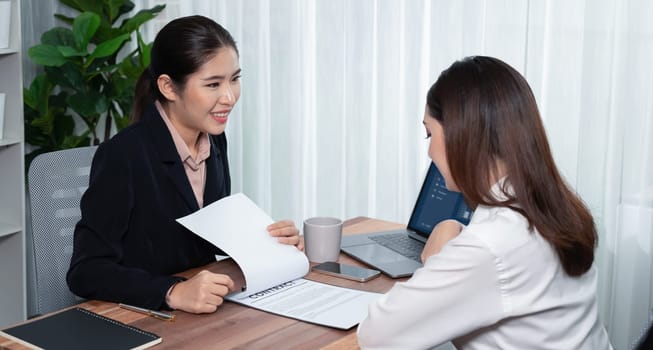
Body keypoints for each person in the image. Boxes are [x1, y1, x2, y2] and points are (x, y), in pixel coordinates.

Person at [357, 56, 612, 349]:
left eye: (430, 133)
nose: (429, 151)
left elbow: (376, 336)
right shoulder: (552, 209)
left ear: (460, 135)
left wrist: (435, 260)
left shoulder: (491, 246)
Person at [67, 15, 302, 314]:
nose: (229, 97)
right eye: (213, 84)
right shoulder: (123, 156)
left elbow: (198, 235)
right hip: (142, 316)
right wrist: (172, 291)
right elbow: (86, 271)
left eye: (234, 79)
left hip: (202, 314)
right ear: (167, 87)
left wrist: (270, 242)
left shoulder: (214, 139)